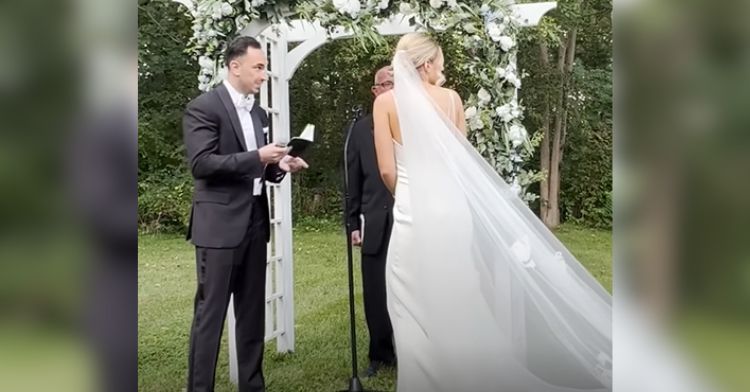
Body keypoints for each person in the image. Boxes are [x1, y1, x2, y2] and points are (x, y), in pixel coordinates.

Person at [373, 32, 612, 392]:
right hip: (452, 211)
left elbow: (388, 171)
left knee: (410, 304)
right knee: (461, 297)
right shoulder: (452, 100)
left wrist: (406, 195)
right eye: (440, 63)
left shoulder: (385, 104)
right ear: (426, 65)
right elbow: (461, 160)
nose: (443, 70)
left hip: (413, 213)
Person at [182, 36, 309, 392]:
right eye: (259, 66)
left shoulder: (259, 113)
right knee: (210, 317)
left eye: (265, 66)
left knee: (253, 314)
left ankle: (253, 386)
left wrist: (282, 164)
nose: (264, 74)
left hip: (255, 222)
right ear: (234, 66)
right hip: (218, 229)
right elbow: (202, 164)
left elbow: (261, 170)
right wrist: (258, 157)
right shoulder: (203, 108)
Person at [346, 66, 397, 377]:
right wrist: (352, 223)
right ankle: (380, 354)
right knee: (376, 292)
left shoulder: (415, 124)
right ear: (375, 90)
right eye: (387, 84)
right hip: (375, 220)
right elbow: (353, 181)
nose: (392, 89)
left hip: (412, 219)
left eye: (397, 83)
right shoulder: (360, 130)